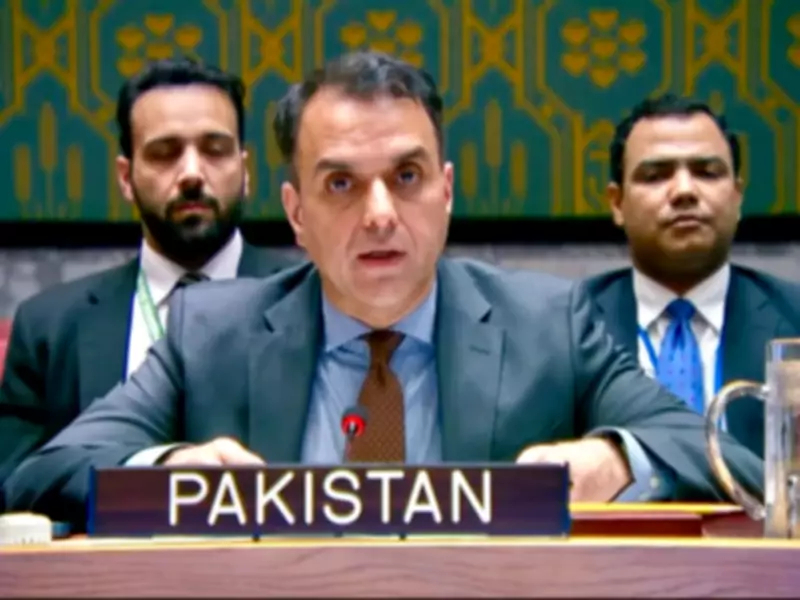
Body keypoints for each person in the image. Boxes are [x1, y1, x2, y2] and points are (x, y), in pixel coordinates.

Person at [3, 52, 762, 530]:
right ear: (296, 213)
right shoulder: (212, 334)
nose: (379, 214)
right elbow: (37, 475)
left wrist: (617, 460)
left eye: (406, 176)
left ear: (446, 192)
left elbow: (731, 459)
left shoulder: (547, 324)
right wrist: (170, 474)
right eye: (340, 183)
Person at [0, 57, 292, 489]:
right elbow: (15, 484)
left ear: (245, 170)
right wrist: (156, 469)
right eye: (165, 153)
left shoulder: (310, 298)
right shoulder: (50, 327)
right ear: (126, 177)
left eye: (214, 150)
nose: (192, 173)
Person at [581, 94, 800, 458]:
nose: (684, 191)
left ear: (737, 196)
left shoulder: (794, 316)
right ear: (617, 203)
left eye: (707, 172)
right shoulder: (569, 327)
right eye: (655, 176)